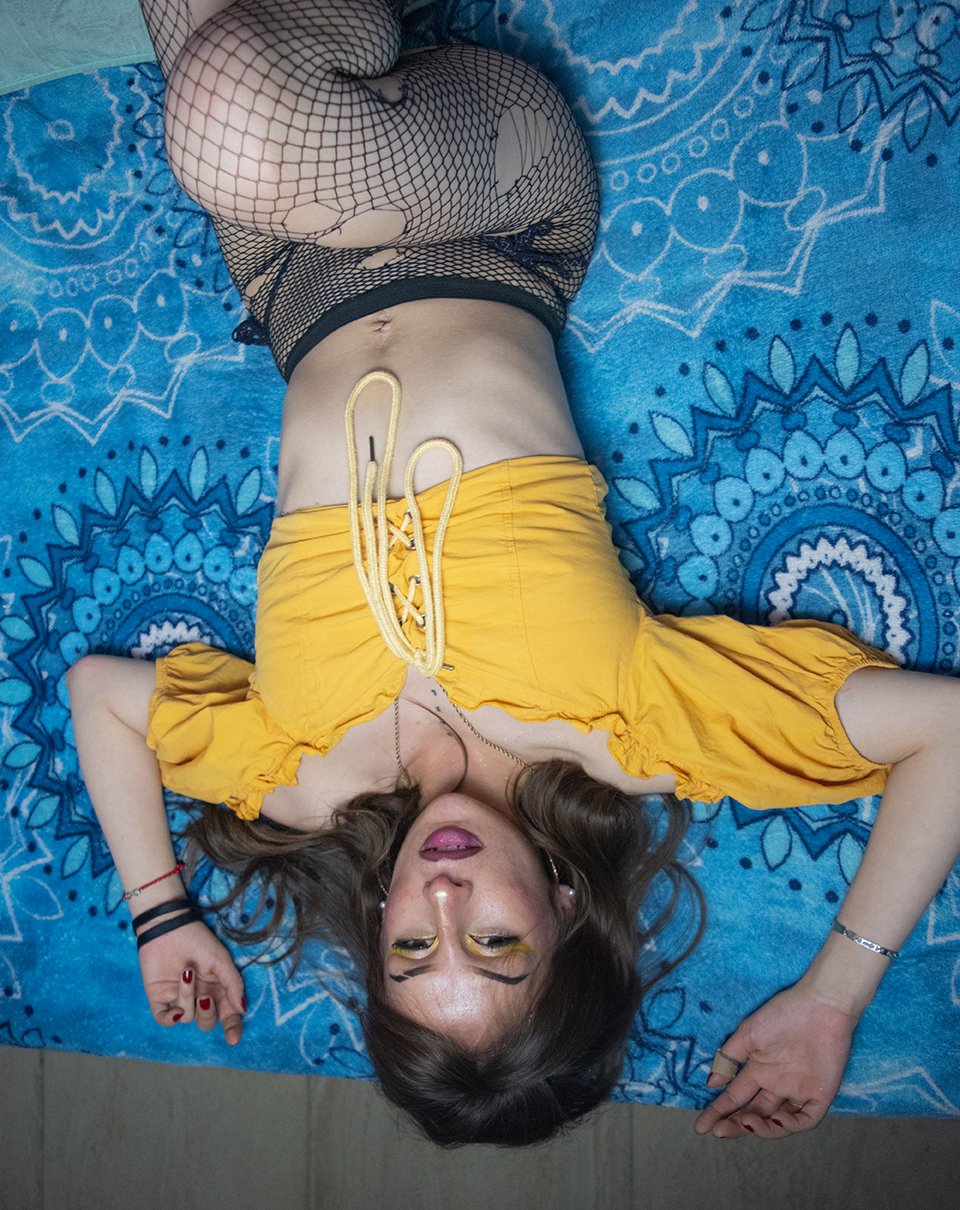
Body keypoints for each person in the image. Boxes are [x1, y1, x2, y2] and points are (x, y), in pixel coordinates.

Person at [66, 0, 960, 1146]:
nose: (444, 900)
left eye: (411, 946)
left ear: (376, 927)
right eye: (494, 941)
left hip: (287, 275)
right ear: (565, 909)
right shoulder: (633, 732)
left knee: (216, 63)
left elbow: (102, 696)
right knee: (227, 113)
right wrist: (834, 996)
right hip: (499, 216)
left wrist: (159, 914)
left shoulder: (298, 774)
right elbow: (944, 732)